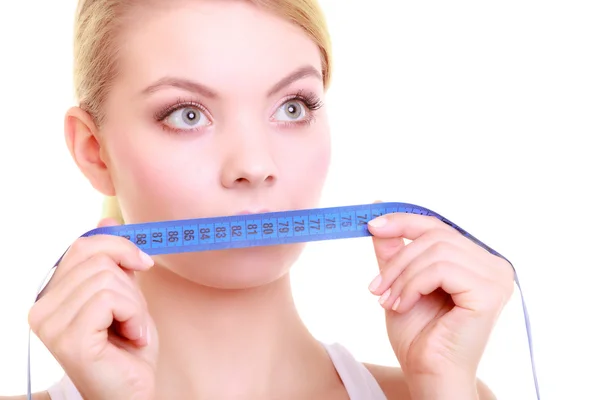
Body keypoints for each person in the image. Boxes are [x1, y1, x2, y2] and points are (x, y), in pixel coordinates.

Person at [3, 0, 514, 399]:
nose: (253, 165)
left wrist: (441, 387)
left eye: (293, 107)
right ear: (95, 152)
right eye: (186, 114)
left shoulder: (442, 392)